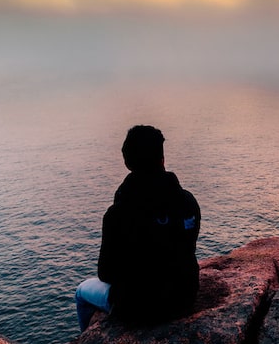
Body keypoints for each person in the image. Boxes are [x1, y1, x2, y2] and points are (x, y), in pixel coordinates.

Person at [75, 125, 201, 331]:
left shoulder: (118, 213)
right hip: (184, 296)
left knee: (81, 292)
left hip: (138, 307)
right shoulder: (187, 201)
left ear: (127, 161)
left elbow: (105, 273)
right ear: (162, 159)